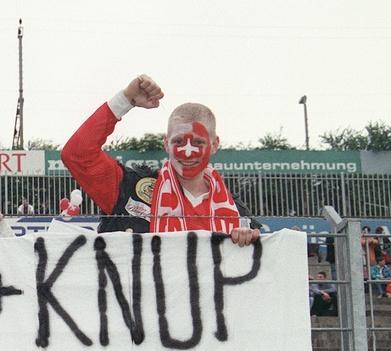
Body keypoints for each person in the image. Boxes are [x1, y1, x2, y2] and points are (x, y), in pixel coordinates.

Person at [61, 75, 260, 245]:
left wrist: (247, 242)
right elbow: (78, 154)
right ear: (166, 143)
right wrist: (126, 99)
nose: (187, 152)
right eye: (178, 141)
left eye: (198, 142)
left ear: (215, 144)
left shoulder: (236, 213)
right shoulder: (131, 189)